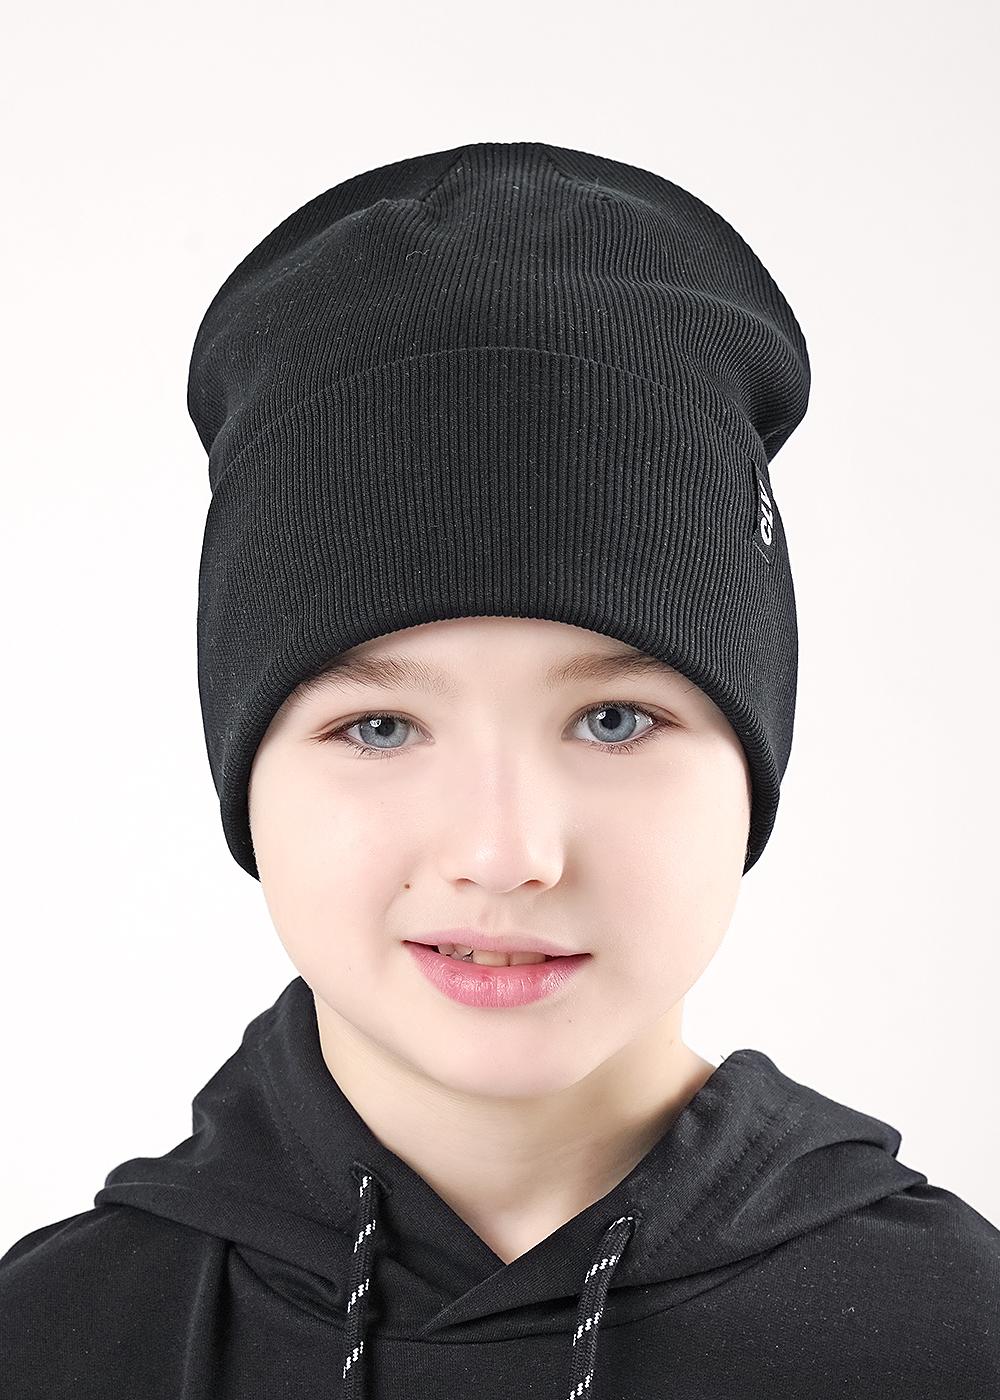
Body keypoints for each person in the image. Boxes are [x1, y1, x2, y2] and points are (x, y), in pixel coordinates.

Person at [2, 141, 998, 1399]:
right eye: (379, 727)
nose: (502, 851)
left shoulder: (952, 1338)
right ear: (246, 778)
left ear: (753, 770)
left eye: (614, 720)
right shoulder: (57, 1340)